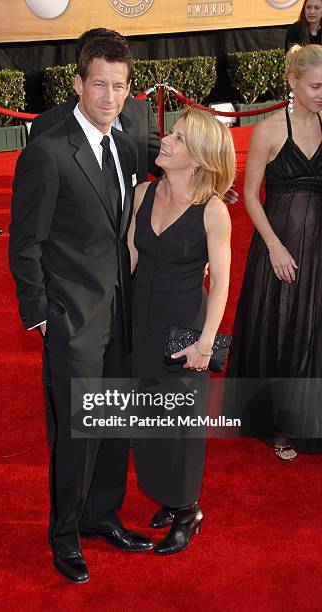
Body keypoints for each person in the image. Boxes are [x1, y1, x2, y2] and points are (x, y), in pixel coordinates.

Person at [9, 36, 153, 585]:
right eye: (99, 83)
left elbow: (176, 159)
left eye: (119, 85)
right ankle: (64, 533)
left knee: (114, 423)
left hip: (123, 309)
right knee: (77, 432)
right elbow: (25, 244)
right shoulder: (47, 151)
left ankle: (102, 515)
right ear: (77, 84)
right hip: (73, 318)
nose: (109, 96)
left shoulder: (133, 129)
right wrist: (43, 314)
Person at [127, 107, 235, 554]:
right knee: (149, 416)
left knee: (182, 425)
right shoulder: (142, 194)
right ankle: (169, 498)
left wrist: (207, 343)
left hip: (185, 331)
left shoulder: (212, 212)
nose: (164, 140)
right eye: (170, 132)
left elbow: (223, 282)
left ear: (198, 157)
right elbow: (129, 260)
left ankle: (189, 508)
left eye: (176, 137)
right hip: (139, 321)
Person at [226, 44, 322, 458]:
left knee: (315, 329)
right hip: (279, 240)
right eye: (316, 85)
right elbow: (250, 196)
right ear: (293, 82)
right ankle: (280, 423)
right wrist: (274, 246)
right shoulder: (267, 130)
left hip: (319, 243)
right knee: (283, 327)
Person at [30, 28, 161, 182]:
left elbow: (162, 164)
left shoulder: (141, 113)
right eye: (99, 84)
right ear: (79, 80)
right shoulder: (47, 126)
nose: (109, 98)